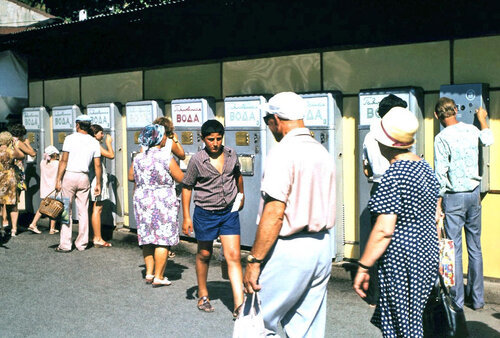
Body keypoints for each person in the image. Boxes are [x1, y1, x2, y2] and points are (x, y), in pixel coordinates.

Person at [243, 92, 336, 337]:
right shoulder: (321, 151)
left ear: (276, 119)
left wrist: (254, 261)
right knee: (307, 328)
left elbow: (274, 212)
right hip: (322, 245)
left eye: (267, 121)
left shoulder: (283, 152)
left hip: (289, 248)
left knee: (256, 323)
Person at [353, 107, 439, 337]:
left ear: (384, 143)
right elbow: (435, 214)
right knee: (418, 318)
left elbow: (384, 230)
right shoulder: (425, 167)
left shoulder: (395, 173)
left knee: (402, 324)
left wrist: (363, 266)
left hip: (402, 258)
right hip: (427, 252)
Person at [434, 97, 494, 310]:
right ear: (457, 111)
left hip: (453, 197)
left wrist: (438, 205)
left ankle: (457, 301)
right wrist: (482, 118)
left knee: (453, 249)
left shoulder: (441, 138)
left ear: (436, 116)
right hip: (474, 194)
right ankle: (477, 300)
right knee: (475, 247)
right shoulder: (471, 130)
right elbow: (488, 139)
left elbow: (440, 174)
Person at [182, 119, 244, 315]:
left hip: (229, 213)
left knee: (233, 256)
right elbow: (187, 186)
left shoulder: (231, 154)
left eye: (218, 139)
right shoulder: (197, 160)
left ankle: (239, 304)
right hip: (205, 213)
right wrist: (186, 217)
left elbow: (237, 175)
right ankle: (203, 294)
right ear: (203, 138)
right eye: (211, 139)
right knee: (205, 254)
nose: (215, 143)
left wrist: (241, 196)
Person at [361, 94, 407, 307]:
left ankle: (375, 296)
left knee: (378, 241)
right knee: (397, 241)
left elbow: (366, 168)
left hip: (378, 187)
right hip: (396, 187)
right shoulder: (396, 137)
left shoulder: (369, 136)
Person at [128, 124, 184, 287]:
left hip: (143, 198)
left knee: (147, 237)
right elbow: (180, 177)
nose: (166, 137)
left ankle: (149, 272)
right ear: (159, 138)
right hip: (162, 199)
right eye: (164, 135)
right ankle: (159, 276)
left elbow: (131, 176)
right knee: (162, 238)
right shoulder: (165, 156)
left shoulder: (138, 157)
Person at [54, 115, 101, 252]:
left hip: (69, 176)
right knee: (83, 211)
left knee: (66, 211)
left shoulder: (69, 139)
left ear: (78, 125)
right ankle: (82, 243)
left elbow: (63, 160)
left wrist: (58, 180)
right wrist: (98, 183)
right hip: (84, 177)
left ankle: (65, 244)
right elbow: (97, 165)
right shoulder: (94, 142)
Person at [152, 116, 185, 259]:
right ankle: (166, 248)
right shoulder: (170, 141)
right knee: (168, 217)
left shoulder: (149, 141)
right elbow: (182, 155)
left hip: (152, 183)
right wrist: (176, 139)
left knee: (153, 215)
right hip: (167, 184)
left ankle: (153, 245)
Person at [2, 124, 37, 234]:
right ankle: (14, 226)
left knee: (4, 200)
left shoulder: (7, 141)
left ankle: (5, 221)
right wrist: (27, 144)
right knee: (14, 201)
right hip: (16, 173)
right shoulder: (18, 142)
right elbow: (32, 153)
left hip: (3, 173)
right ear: (22, 134)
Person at [89, 124, 114, 248]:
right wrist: (109, 143)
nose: (103, 135)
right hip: (96, 179)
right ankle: (97, 237)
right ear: (95, 134)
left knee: (92, 208)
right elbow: (111, 155)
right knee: (97, 208)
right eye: (101, 133)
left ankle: (92, 235)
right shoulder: (95, 144)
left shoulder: (87, 143)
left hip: (90, 178)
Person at [27, 146, 60, 234]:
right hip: (54, 189)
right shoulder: (57, 164)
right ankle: (34, 224)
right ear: (55, 154)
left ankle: (51, 228)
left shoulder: (42, 162)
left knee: (44, 207)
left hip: (45, 188)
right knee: (55, 208)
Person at [0, 132, 25, 237]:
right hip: (10, 177)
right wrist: (15, 146)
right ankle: (14, 229)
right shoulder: (11, 151)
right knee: (13, 204)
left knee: (0, 204)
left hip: (0, 177)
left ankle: (1, 227)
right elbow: (22, 156)